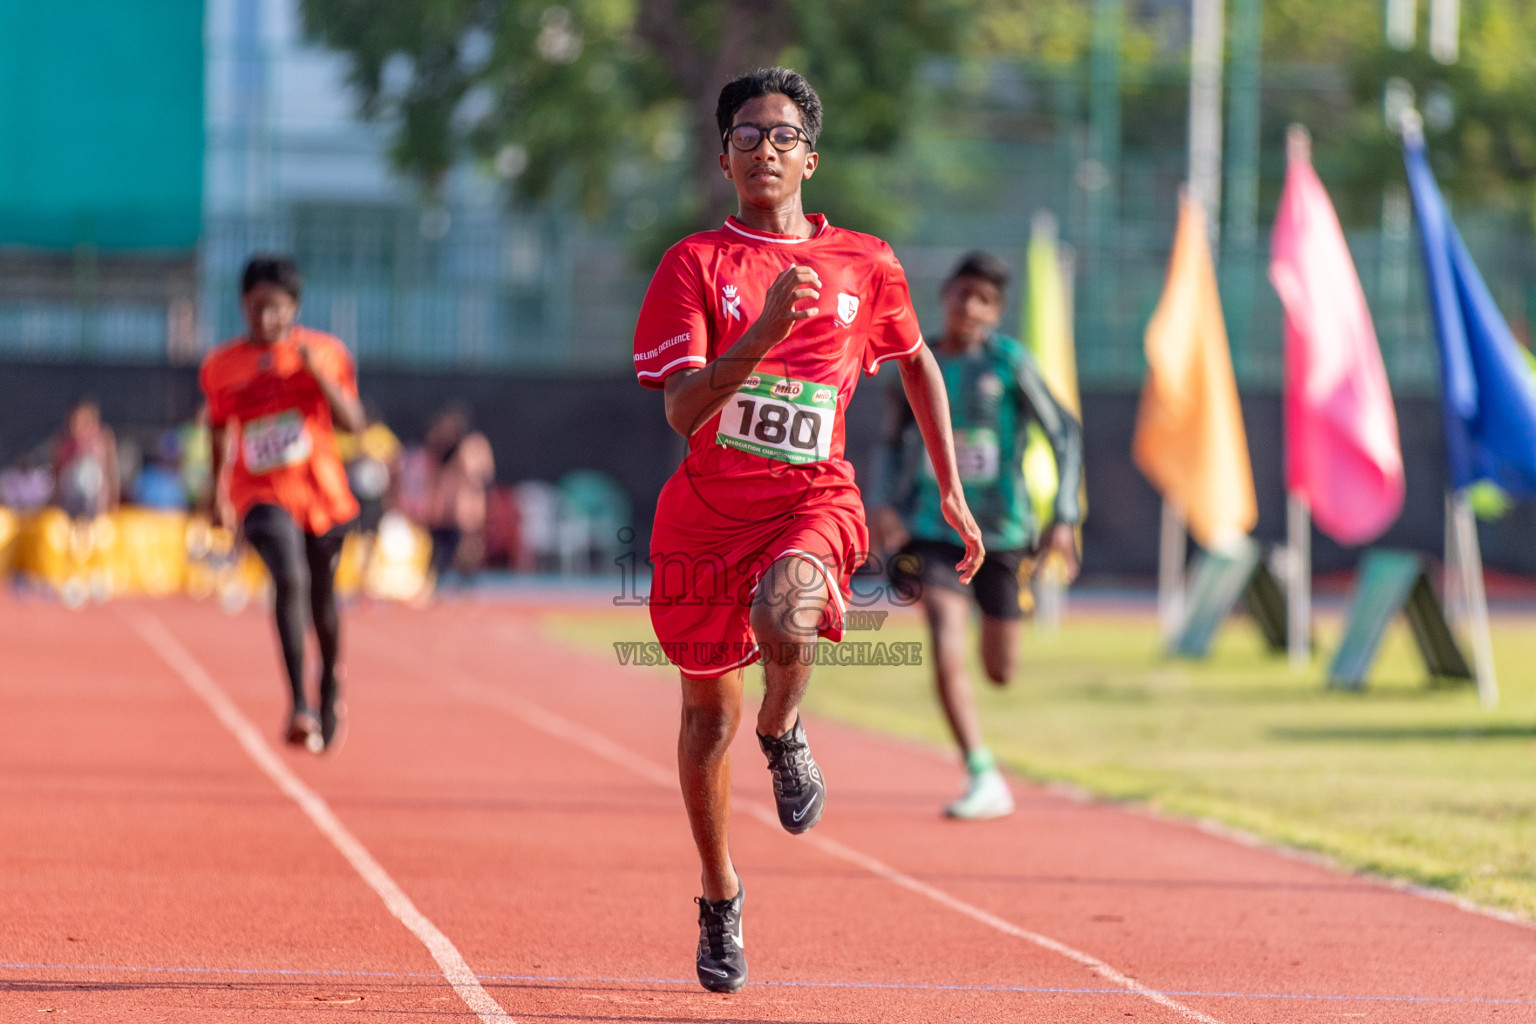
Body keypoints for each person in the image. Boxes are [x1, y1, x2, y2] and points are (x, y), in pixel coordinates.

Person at [633, 67, 984, 993]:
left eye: (782, 136)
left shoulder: (867, 264)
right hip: (705, 517)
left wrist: (949, 487)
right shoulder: (694, 265)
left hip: (812, 500)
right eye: (747, 135)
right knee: (707, 713)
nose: (765, 149)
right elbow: (681, 411)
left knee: (788, 613)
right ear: (723, 158)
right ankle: (720, 894)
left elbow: (919, 367)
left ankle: (785, 731)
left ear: (810, 159)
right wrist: (761, 335)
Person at [872, 251, 1084, 820]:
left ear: (996, 311)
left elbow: (1064, 432)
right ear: (945, 295)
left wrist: (1063, 514)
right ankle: (981, 772)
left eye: (983, 300)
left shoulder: (1011, 364)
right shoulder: (918, 363)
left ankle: (1000, 619)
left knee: (1000, 670)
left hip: (1003, 531)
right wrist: (884, 503)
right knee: (944, 637)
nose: (969, 307)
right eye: (962, 294)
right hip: (931, 525)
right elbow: (890, 441)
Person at [199, 254, 364, 753]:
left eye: (276, 309)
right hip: (261, 492)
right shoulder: (222, 365)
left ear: (293, 307)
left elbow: (355, 423)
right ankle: (299, 705)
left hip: (321, 492)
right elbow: (217, 429)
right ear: (243, 305)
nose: (266, 320)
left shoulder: (327, 352)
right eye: (256, 308)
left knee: (322, 602)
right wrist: (216, 494)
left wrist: (318, 377)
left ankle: (328, 685)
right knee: (287, 577)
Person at [52, 399, 120, 520]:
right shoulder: (65, 444)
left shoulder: (101, 441)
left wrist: (109, 505)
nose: (77, 427)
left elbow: (109, 474)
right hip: (70, 501)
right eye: (74, 422)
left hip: (95, 502)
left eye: (82, 421)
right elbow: (57, 476)